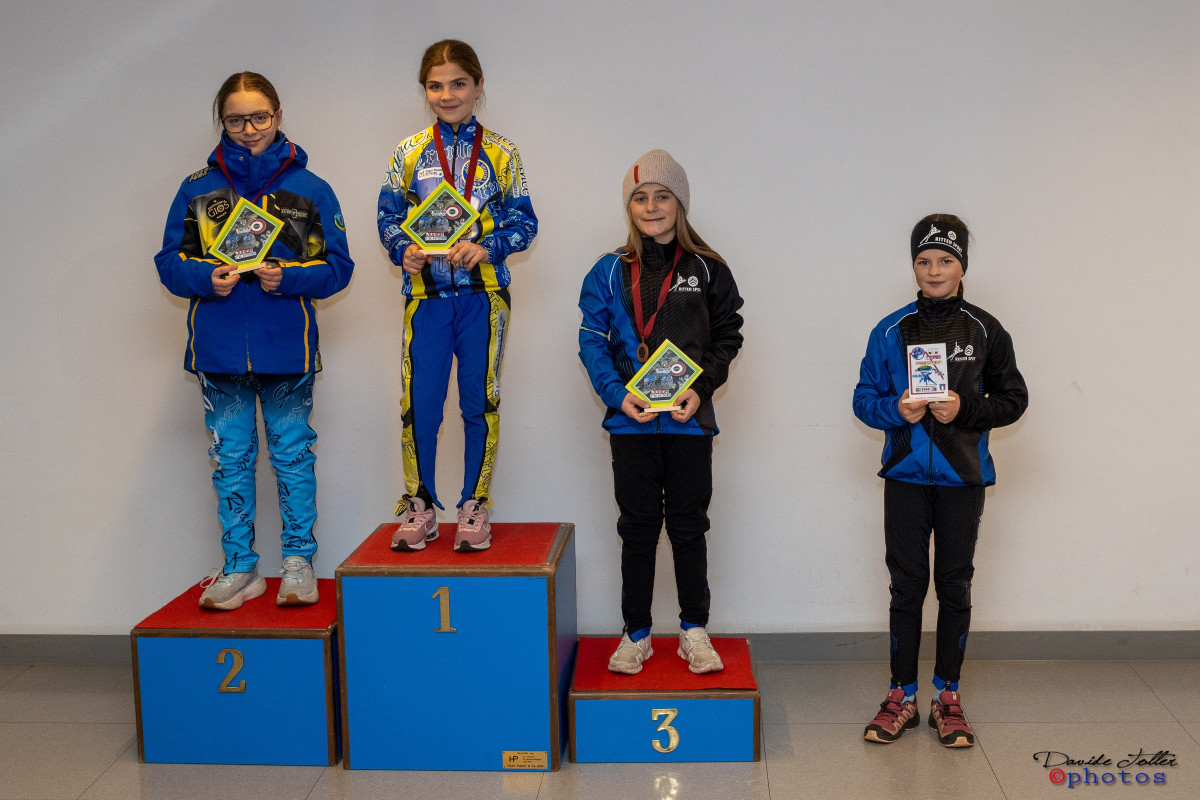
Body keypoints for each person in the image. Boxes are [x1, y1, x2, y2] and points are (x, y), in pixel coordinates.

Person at [156, 72, 353, 610]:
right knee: (230, 459)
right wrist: (206, 278)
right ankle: (241, 567)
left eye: (259, 117)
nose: (249, 130)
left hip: (287, 349)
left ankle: (298, 563)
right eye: (236, 120)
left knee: (292, 457)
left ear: (278, 115)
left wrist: (286, 278)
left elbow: (339, 269)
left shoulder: (309, 189)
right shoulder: (198, 189)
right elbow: (168, 263)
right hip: (218, 352)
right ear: (222, 121)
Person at [853, 214, 1027, 746]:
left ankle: (947, 697)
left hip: (962, 480)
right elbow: (863, 399)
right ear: (913, 266)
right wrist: (896, 409)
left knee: (954, 585)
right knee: (906, 586)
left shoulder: (986, 330)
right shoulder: (889, 330)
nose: (934, 270)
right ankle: (900, 696)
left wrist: (965, 409)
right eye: (924, 260)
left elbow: (1014, 400)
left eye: (946, 260)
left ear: (962, 267)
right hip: (905, 478)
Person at [578, 150, 744, 674]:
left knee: (689, 527)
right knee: (638, 528)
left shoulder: (708, 267)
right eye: (640, 198)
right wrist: (616, 394)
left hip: (689, 422)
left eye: (662, 196)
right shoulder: (608, 270)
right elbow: (591, 340)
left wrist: (701, 386)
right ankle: (637, 633)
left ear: (680, 203)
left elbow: (728, 336)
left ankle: (694, 630)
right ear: (629, 207)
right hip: (631, 422)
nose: (651, 207)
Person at [378, 39, 537, 553]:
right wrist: (403, 249)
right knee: (419, 406)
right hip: (425, 299)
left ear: (478, 85)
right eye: (435, 85)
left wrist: (488, 247)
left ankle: (475, 505)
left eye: (458, 84)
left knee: (479, 403)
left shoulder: (503, 153)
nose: (447, 95)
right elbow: (387, 219)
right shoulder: (407, 152)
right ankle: (420, 504)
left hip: (483, 298)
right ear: (424, 90)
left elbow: (526, 223)